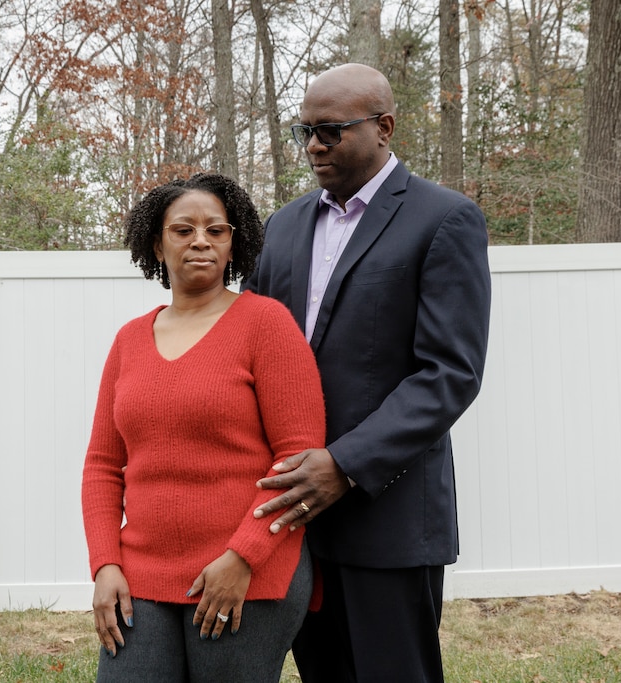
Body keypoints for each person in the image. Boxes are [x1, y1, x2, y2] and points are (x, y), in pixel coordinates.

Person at [243, 63, 492, 682]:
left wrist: (345, 465)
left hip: (389, 516)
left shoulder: (443, 220)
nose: (313, 146)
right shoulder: (282, 227)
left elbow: (449, 372)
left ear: (384, 127)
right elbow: (251, 350)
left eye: (331, 131)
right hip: (293, 516)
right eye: (304, 130)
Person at [81, 173, 325, 683]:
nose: (200, 241)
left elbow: (299, 462)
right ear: (157, 242)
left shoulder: (266, 324)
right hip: (141, 574)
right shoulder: (129, 340)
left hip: (245, 572)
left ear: (234, 244)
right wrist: (105, 564)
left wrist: (244, 557)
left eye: (216, 230)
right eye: (183, 229)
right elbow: (103, 466)